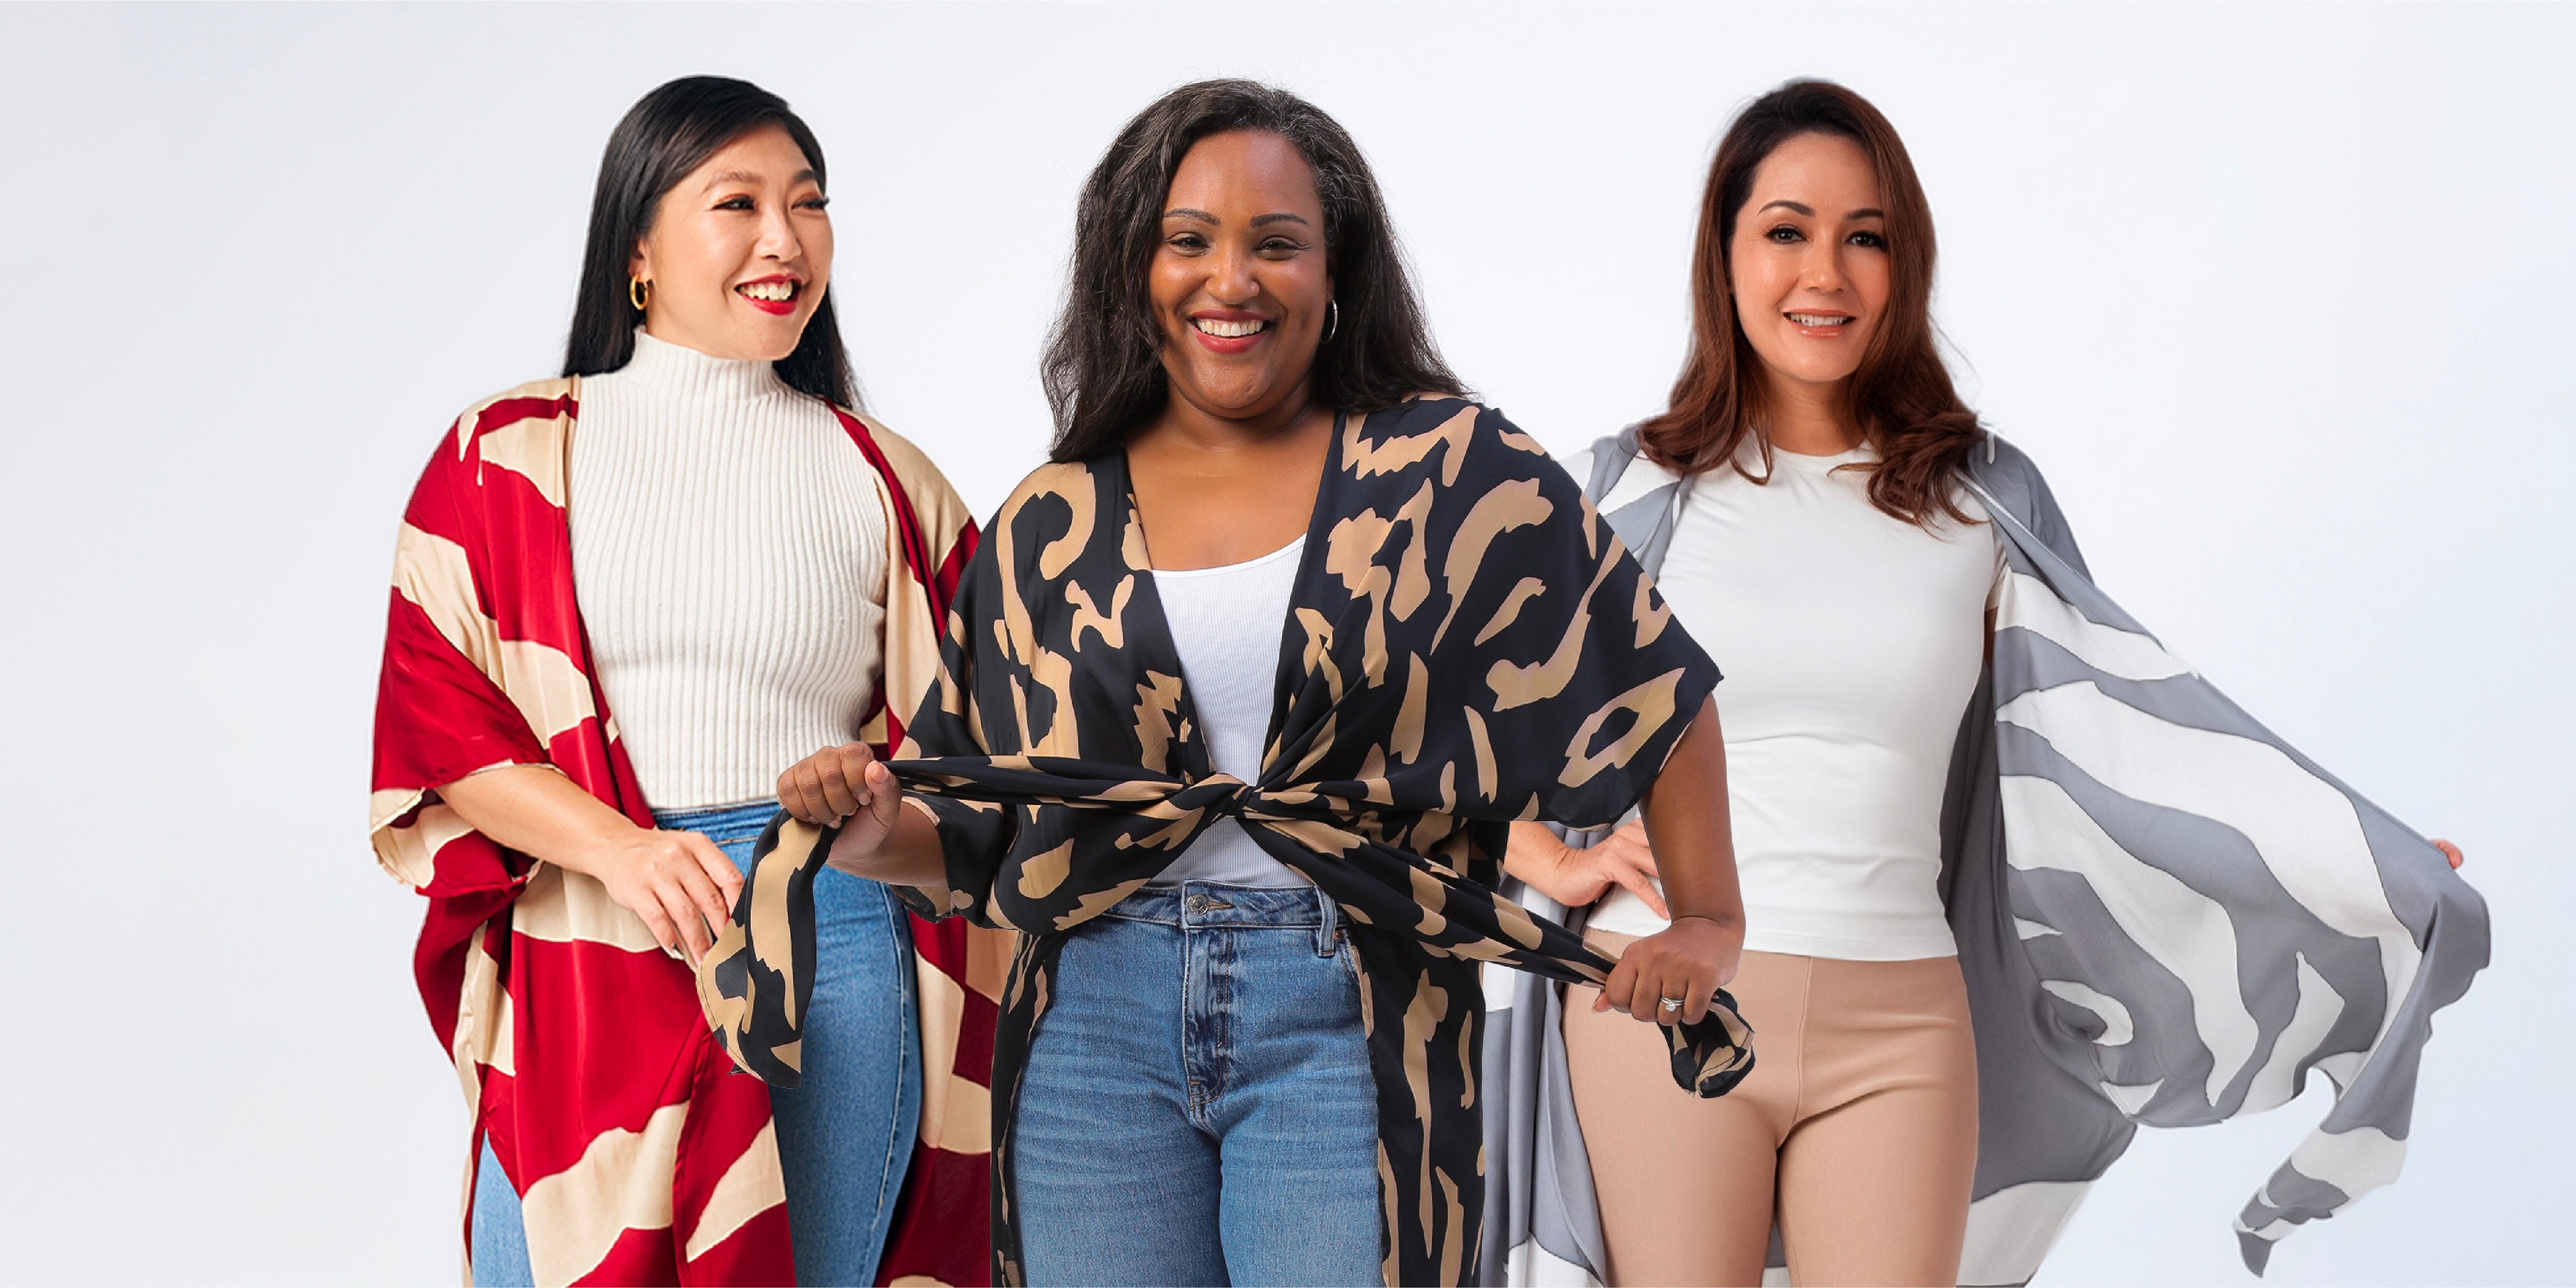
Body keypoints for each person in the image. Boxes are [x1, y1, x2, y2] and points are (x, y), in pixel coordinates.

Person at [698, 80, 1754, 1288]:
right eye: (1187, 241)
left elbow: (1657, 687)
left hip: (1353, 1009)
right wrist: (877, 828)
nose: (1231, 280)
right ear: (1129, 266)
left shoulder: (1446, 469)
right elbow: (976, 841)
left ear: (1336, 266)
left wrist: (1711, 919)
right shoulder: (1053, 519)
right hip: (1091, 1015)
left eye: (1278, 243)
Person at [1488, 79, 2488, 1287]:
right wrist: (1557, 861)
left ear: (1906, 266)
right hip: (1664, 1001)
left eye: (1868, 238)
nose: (1828, 273)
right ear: (1727, 252)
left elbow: (2122, 744)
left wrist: (2349, 860)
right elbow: (1442, 735)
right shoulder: (1627, 496)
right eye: (1788, 231)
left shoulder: (1979, 500)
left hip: (1902, 1021)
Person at [368, 75, 993, 1287]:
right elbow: (441, 716)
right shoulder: (502, 454)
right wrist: (622, 849)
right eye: (738, 202)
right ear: (639, 249)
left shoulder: (889, 480)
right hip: (589, 926)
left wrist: (878, 807)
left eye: (810, 204)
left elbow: (988, 758)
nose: (784, 238)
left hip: (832, 935)